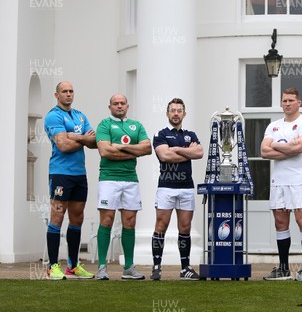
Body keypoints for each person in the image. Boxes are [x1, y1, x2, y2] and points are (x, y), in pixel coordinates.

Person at [43, 81, 97, 280]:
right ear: (56, 95)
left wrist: (76, 137)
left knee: (77, 217)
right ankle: (53, 266)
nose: (68, 94)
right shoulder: (53, 116)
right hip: (60, 173)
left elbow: (95, 142)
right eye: (64, 91)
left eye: (71, 91)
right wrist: (83, 137)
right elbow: (63, 145)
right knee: (57, 215)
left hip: (79, 174)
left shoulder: (80, 115)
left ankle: (73, 267)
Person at [94, 94, 152, 280]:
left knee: (130, 222)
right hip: (109, 178)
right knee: (107, 219)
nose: (119, 106)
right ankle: (102, 267)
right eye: (115, 104)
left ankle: (128, 267)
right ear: (109, 106)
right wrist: (133, 150)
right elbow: (104, 150)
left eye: (122, 103)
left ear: (127, 106)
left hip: (130, 179)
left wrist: (118, 148)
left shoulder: (136, 125)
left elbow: (147, 148)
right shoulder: (104, 125)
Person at [261, 88, 302, 281]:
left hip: (298, 180)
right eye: (284, 100)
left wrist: (276, 146)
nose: (287, 103)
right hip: (278, 181)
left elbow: (300, 147)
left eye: (291, 100)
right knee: (280, 223)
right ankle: (284, 268)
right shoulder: (273, 126)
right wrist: (287, 148)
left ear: (299, 102)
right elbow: (264, 152)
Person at [150, 98, 204, 281]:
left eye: (179, 111)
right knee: (161, 226)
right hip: (166, 187)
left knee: (185, 228)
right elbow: (164, 156)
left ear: (184, 114)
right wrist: (186, 151)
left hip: (186, 188)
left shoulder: (191, 134)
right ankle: (156, 266)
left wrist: (176, 150)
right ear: (167, 113)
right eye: (172, 110)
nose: (175, 113)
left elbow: (199, 153)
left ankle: (185, 268)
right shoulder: (161, 133)